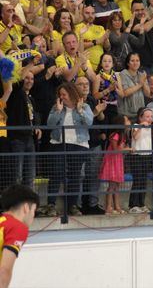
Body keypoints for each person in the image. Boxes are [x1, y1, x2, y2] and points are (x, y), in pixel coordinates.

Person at [46, 83, 94, 216]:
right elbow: (49, 124)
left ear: (71, 94)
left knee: (75, 175)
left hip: (78, 144)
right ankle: (51, 205)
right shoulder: (56, 107)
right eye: (60, 95)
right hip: (59, 143)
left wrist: (80, 110)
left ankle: (72, 205)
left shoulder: (85, 106)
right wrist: (57, 111)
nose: (61, 97)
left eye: (64, 95)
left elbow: (89, 123)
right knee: (56, 174)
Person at [0, 184, 39, 288]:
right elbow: (4, 270)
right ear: (26, 208)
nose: (33, 216)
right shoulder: (17, 227)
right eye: (34, 210)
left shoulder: (2, 222)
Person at [99, 114, 128, 214]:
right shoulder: (115, 135)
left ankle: (117, 206)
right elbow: (116, 149)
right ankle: (108, 207)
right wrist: (128, 149)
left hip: (118, 161)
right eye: (126, 120)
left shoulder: (122, 135)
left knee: (117, 185)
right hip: (113, 162)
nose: (128, 122)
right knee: (111, 185)